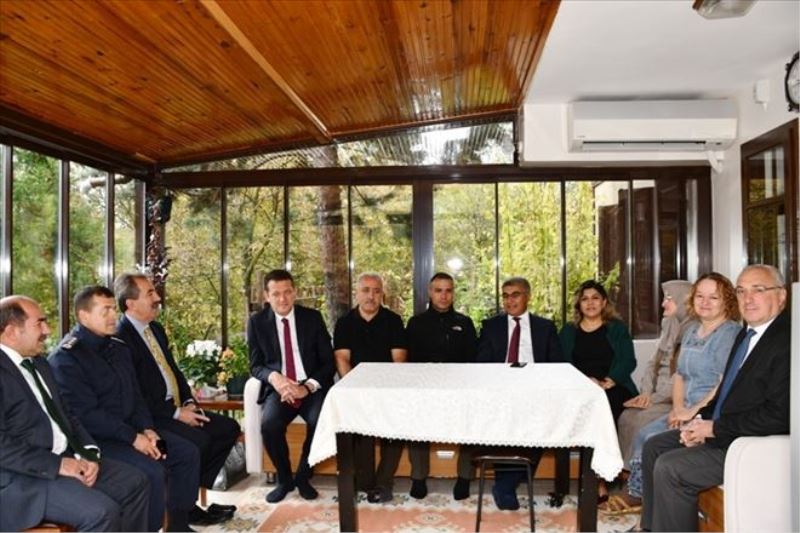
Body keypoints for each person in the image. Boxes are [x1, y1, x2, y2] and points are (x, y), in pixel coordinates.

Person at [640, 264, 789, 532]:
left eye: (758, 290)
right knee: (654, 446)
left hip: (749, 444)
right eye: (741, 291)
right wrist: (699, 422)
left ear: (781, 296)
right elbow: (724, 394)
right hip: (724, 430)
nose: (748, 298)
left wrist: (714, 428)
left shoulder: (787, 342)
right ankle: (650, 528)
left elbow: (780, 415)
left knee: (670, 467)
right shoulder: (747, 335)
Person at [48, 286, 200, 532]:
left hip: (133, 431)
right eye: (105, 311)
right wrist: (133, 438)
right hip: (99, 440)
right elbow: (87, 415)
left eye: (113, 309)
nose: (113, 316)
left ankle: (178, 525)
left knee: (184, 453)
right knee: (152, 471)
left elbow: (136, 396)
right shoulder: (66, 358)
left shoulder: (118, 347)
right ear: (84, 316)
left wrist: (147, 429)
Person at [0, 295, 150, 532]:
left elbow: (67, 415)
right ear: (11, 332)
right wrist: (58, 465)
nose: (47, 330)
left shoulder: (39, 364)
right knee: (101, 513)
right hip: (22, 478)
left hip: (64, 459)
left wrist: (88, 453)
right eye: (39, 323)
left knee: (135, 482)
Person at [607, 273, 740, 515]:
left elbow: (724, 383)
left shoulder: (729, 334)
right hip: (685, 408)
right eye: (700, 296)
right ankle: (643, 496)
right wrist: (678, 409)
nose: (705, 302)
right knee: (644, 434)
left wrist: (692, 412)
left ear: (727, 301)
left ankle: (640, 496)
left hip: (707, 411)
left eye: (713, 297)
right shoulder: (692, 331)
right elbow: (679, 375)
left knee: (652, 438)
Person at [114, 273, 239, 525]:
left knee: (228, 428)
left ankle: (187, 497)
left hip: (176, 406)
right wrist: (176, 414)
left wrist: (189, 402)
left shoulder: (155, 329)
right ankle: (182, 511)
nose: (157, 298)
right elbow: (136, 394)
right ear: (130, 303)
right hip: (152, 416)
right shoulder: (120, 338)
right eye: (150, 293)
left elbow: (173, 370)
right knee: (198, 442)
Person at [247, 269, 335, 503]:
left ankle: (304, 476)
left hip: (309, 386)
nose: (282, 299)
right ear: (266, 296)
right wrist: (275, 378)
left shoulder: (312, 318)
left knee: (320, 421)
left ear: (295, 292)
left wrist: (307, 388)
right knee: (269, 425)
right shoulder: (257, 322)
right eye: (276, 294)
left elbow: (328, 362)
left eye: (287, 292)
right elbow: (255, 366)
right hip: (280, 388)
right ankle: (284, 479)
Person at [476, 276, 564, 511]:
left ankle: (506, 484)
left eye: (515, 295)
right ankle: (508, 483)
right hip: (501, 389)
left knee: (543, 422)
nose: (509, 300)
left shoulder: (545, 327)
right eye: (505, 296)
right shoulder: (491, 326)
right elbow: (481, 363)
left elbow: (557, 364)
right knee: (503, 423)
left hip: (536, 389)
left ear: (528, 297)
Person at [333, 272, 408, 503]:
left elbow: (399, 360)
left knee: (395, 428)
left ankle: (384, 483)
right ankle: (365, 482)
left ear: (382, 294)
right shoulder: (345, 323)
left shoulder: (393, 321)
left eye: (376, 291)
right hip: (356, 388)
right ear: (357, 293)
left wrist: (385, 393)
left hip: (388, 388)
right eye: (365, 290)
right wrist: (356, 390)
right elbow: (342, 359)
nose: (371, 296)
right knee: (358, 425)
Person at [405, 272, 477, 500]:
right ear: (430, 292)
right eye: (438, 290)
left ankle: (464, 477)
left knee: (471, 418)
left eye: (448, 291)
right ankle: (418, 477)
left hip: (459, 388)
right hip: (425, 388)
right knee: (415, 419)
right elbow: (409, 362)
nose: (444, 296)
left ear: (453, 293)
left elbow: (473, 361)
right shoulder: (416, 323)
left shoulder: (465, 323)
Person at [617, 280, 693, 469]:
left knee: (641, 420)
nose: (663, 304)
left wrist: (653, 399)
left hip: (674, 401)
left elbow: (680, 376)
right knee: (626, 416)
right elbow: (653, 365)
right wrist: (645, 394)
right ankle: (626, 473)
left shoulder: (694, 332)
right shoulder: (669, 325)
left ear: (683, 301)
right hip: (656, 396)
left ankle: (637, 476)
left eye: (668, 299)